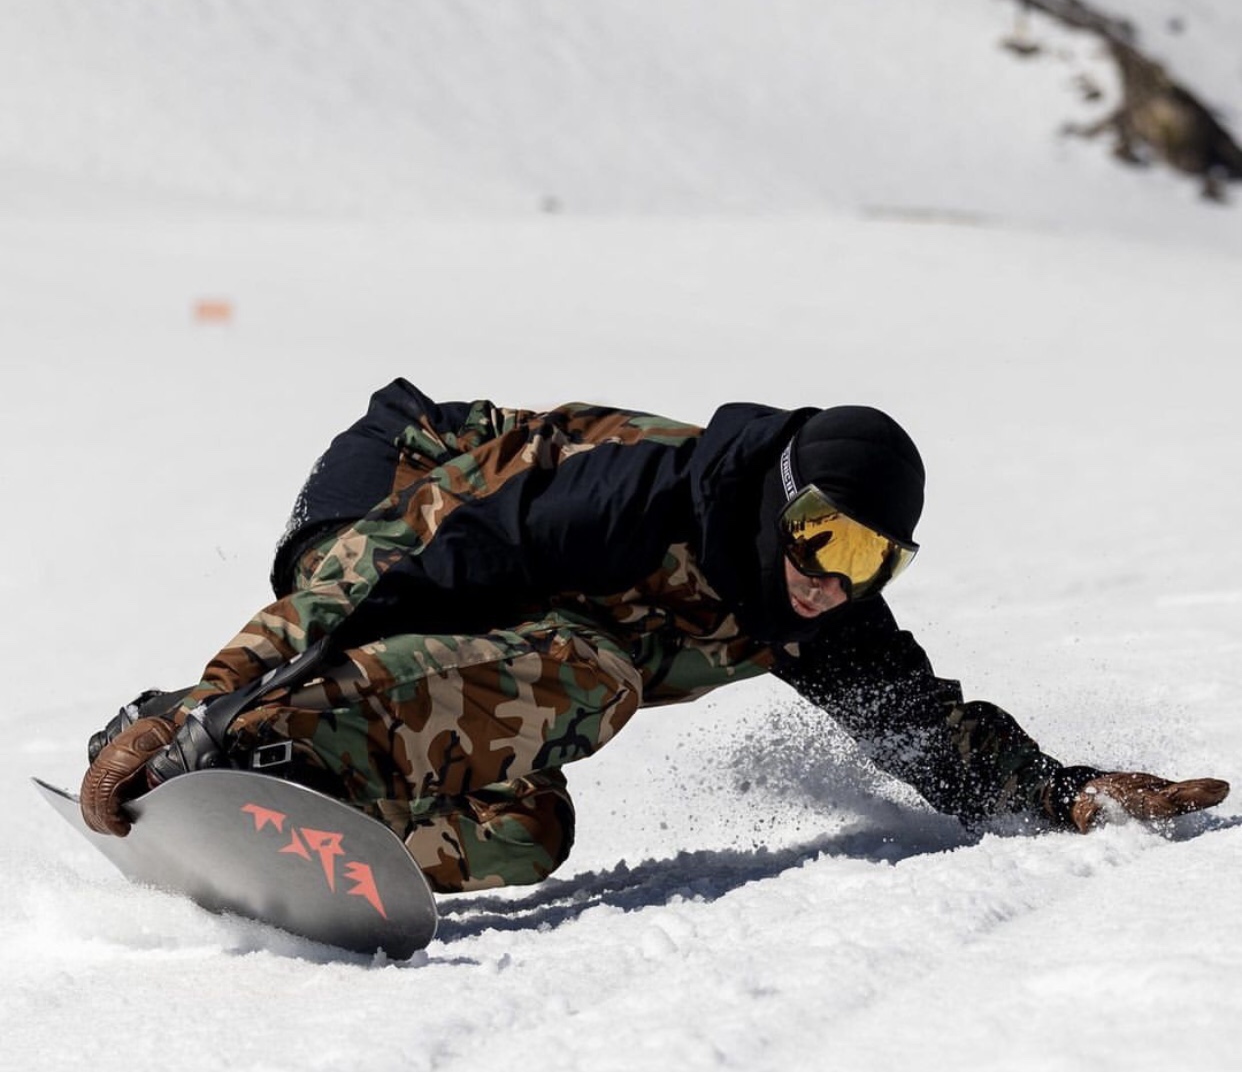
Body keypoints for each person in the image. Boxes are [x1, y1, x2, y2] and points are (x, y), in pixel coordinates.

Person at [80, 380, 1228, 892]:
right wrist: (204, 697)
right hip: (395, 521)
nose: (835, 579)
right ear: (785, 497)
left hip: (471, 643)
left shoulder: (809, 608)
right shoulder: (638, 491)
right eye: (824, 538)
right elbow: (381, 569)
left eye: (872, 562)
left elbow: (923, 729)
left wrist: (1068, 794)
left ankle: (322, 823)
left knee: (532, 831)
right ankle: (246, 748)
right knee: (589, 675)